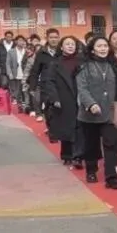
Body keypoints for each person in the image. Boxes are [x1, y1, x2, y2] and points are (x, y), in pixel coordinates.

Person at [75, 36, 117, 188]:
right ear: (92, 49)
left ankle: (111, 177)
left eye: (105, 46)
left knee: (111, 144)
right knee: (91, 144)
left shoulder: (113, 65)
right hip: (90, 113)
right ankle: (91, 170)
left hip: (109, 112)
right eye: (99, 46)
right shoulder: (85, 66)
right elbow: (82, 88)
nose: (103, 49)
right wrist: (91, 104)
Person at [43, 36, 84, 167]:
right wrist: (54, 98)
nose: (70, 46)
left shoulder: (82, 62)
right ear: (61, 47)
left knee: (79, 128)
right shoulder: (55, 63)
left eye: (73, 44)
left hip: (80, 98)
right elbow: (49, 82)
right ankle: (67, 154)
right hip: (63, 98)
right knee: (66, 128)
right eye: (67, 44)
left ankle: (78, 156)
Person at [5, 35, 32, 113]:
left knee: (26, 90)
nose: (21, 42)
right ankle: (19, 105)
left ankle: (26, 105)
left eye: (22, 40)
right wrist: (9, 73)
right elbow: (8, 63)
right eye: (19, 40)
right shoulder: (11, 51)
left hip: (25, 73)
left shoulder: (27, 51)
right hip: (15, 73)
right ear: (16, 41)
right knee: (17, 91)